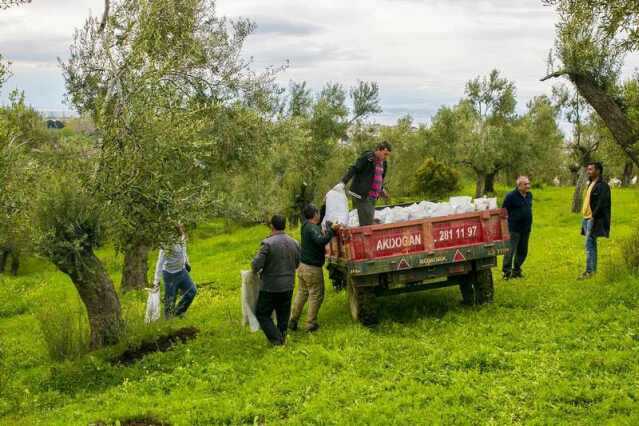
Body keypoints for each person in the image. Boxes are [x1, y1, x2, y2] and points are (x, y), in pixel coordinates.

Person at [289, 205, 340, 332]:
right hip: (312, 269)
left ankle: (293, 320)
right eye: (318, 213)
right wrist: (332, 231)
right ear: (315, 214)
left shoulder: (305, 225)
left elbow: (317, 233)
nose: (319, 215)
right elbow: (320, 241)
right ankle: (310, 324)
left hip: (302, 266)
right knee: (316, 294)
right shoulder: (312, 228)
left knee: (302, 293)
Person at [251, 215, 301, 346]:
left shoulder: (267, 243)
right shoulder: (294, 243)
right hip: (289, 285)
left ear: (272, 226)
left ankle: (277, 339)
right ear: (284, 225)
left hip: (270, 286)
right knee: (283, 315)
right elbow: (297, 264)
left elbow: (256, 265)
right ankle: (282, 338)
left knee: (262, 314)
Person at [340, 141, 392, 226]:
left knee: (368, 221)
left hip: (373, 196)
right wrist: (343, 182)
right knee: (367, 223)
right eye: (385, 154)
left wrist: (382, 189)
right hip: (362, 194)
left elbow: (379, 178)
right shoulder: (368, 157)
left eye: (388, 155)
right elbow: (354, 168)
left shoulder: (384, 163)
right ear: (378, 150)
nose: (386, 157)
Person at [152, 224, 197, 318]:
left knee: (192, 291)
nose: (182, 231)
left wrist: (187, 262)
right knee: (170, 300)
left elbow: (184, 251)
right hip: (170, 275)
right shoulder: (166, 244)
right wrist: (156, 281)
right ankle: (168, 320)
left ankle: (178, 312)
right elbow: (160, 262)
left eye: (182, 229)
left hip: (182, 271)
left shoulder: (182, 238)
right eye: (180, 229)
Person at [579, 162, 611, 280]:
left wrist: (593, 216)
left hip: (593, 219)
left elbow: (602, 203)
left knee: (589, 245)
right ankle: (593, 271)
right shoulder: (591, 183)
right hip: (586, 218)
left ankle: (589, 272)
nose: (588, 171)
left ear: (598, 171)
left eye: (591, 169)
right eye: (588, 169)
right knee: (591, 244)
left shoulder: (603, 186)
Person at [501, 176, 533, 279]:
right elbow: (503, 211)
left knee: (523, 251)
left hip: (526, 229)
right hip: (514, 229)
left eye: (528, 183)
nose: (528, 186)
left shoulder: (529, 195)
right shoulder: (510, 196)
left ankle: (516, 271)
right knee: (510, 251)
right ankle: (506, 272)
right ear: (519, 186)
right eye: (525, 184)